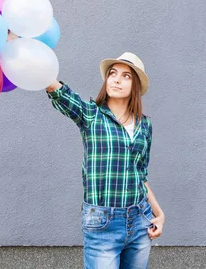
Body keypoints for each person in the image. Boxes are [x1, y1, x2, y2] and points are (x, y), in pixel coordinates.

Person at [46, 52, 164, 269]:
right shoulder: (91, 115)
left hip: (140, 220)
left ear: (135, 86)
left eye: (126, 76)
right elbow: (60, 92)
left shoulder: (145, 126)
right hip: (102, 223)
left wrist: (159, 213)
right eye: (112, 74)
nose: (117, 79)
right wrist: (22, 51)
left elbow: (140, 175)